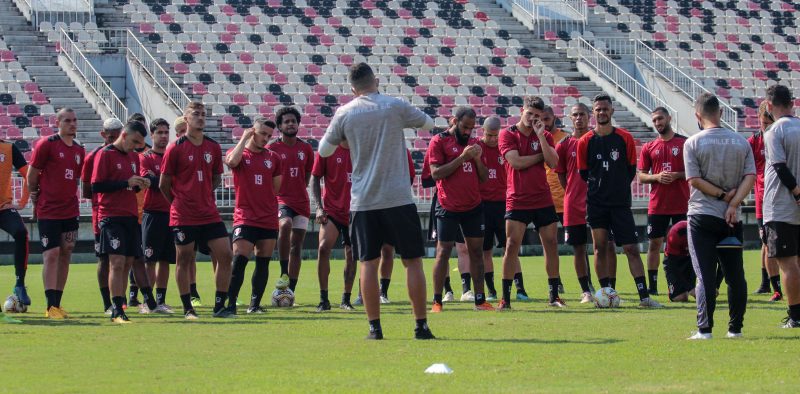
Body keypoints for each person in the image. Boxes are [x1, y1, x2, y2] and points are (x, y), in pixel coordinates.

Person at [319, 62, 435, 340]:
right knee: (413, 262)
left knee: (367, 263)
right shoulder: (394, 105)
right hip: (397, 197)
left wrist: (347, 140)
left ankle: (375, 328)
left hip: (364, 200)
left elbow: (324, 149)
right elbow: (428, 124)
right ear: (377, 81)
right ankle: (420, 325)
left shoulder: (345, 112)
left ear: (352, 89)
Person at [577, 94, 661, 308]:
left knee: (631, 248)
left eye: (605, 109)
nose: (602, 112)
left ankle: (644, 297)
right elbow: (584, 173)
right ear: (593, 113)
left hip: (621, 204)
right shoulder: (585, 142)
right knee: (600, 248)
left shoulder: (624, 138)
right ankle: (605, 294)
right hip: (596, 204)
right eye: (598, 109)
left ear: (612, 111)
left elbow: (631, 170)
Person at [684, 92, 755, 339]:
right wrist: (734, 203)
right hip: (731, 219)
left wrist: (723, 197)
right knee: (735, 275)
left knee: (704, 274)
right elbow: (750, 178)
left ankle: (705, 329)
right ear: (721, 113)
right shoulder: (741, 142)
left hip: (702, 215)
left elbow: (694, 180)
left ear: (697, 115)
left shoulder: (692, 143)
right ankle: (735, 329)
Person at [160, 102, 234, 319]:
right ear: (186, 117)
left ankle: (219, 306)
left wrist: (203, 193)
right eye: (195, 114)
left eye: (203, 114)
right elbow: (164, 184)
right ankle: (188, 308)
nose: (200, 117)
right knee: (184, 259)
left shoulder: (212, 146)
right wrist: (178, 201)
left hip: (209, 212)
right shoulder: (175, 148)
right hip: (183, 214)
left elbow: (217, 176)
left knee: (226, 255)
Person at [498, 96, 564, 310]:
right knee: (511, 246)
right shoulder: (507, 134)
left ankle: (554, 296)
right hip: (517, 198)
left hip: (542, 198)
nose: (533, 118)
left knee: (551, 245)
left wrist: (541, 138)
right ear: (521, 111)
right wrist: (539, 157)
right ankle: (505, 299)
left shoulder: (544, 135)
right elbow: (516, 163)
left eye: (538, 116)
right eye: (530, 114)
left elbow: (553, 162)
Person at [428, 106, 493, 312]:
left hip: (473, 206)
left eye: (471, 128)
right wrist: (462, 158)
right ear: (454, 121)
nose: (468, 132)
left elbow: (484, 177)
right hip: (447, 206)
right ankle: (437, 301)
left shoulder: (474, 144)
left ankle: (480, 300)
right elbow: (436, 173)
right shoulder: (439, 141)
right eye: (465, 127)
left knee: (476, 252)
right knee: (443, 252)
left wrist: (475, 159)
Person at [27, 108, 85, 319]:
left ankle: (58, 304)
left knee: (66, 251)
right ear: (58, 122)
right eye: (68, 120)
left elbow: (75, 178)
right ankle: (50, 306)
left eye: (74, 120)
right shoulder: (47, 144)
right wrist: (35, 195)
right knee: (51, 254)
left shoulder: (79, 150)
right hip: (48, 209)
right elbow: (32, 175)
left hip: (70, 209)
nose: (72, 124)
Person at [91, 121, 150, 323]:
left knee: (126, 263)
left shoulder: (133, 157)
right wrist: (126, 182)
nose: (135, 146)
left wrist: (140, 184)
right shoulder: (105, 154)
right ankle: (116, 309)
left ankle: (120, 303)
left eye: (139, 143)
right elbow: (96, 185)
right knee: (116, 262)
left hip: (130, 215)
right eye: (134, 141)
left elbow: (130, 187)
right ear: (124, 135)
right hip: (110, 216)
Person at [224, 118, 282, 314]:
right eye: (262, 134)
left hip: (268, 217)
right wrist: (243, 139)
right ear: (252, 131)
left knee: (263, 262)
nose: (265, 138)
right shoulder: (238, 153)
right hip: (245, 216)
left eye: (269, 136)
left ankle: (254, 305)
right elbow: (231, 162)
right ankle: (230, 305)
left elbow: (276, 187)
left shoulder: (273, 158)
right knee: (239, 260)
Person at [638, 107, 689, 296]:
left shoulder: (684, 143)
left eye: (660, 118)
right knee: (654, 244)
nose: (658, 123)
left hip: (681, 203)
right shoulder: (649, 147)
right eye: (655, 120)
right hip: (657, 205)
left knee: (684, 246)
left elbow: (695, 172)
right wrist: (657, 177)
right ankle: (653, 286)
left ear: (669, 118)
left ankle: (684, 283)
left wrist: (677, 175)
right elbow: (642, 176)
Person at [354, 150, 416, 306]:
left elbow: (409, 177)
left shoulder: (403, 151)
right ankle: (362, 293)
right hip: (369, 205)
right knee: (368, 254)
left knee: (388, 250)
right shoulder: (368, 146)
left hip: (391, 206)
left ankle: (383, 292)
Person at [761, 84, 800, 328]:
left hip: (782, 205)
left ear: (770, 105)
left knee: (787, 264)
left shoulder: (775, 131)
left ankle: (795, 316)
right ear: (792, 103)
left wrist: (797, 193)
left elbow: (779, 166)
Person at [270, 107, 314, 294]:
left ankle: (290, 291)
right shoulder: (272, 148)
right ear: (279, 126)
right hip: (282, 200)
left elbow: (307, 176)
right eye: (286, 121)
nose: (290, 124)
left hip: (301, 202)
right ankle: (283, 272)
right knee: (285, 224)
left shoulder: (306, 148)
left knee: (297, 247)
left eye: (293, 121)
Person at [82, 118, 123, 313]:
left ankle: (120, 299)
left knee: (123, 258)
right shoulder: (93, 156)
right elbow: (86, 189)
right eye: (111, 136)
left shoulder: (126, 154)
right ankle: (107, 302)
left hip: (124, 214)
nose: (114, 140)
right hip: (102, 214)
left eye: (118, 136)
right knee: (104, 258)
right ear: (103, 135)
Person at [311, 136, 356, 311]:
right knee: (323, 248)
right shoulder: (327, 149)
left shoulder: (363, 149)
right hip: (332, 210)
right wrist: (318, 208)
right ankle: (324, 299)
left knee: (351, 254)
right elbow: (315, 177)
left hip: (356, 211)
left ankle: (346, 299)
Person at [556, 103, 595, 304]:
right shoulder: (563, 144)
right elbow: (561, 174)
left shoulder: (597, 140)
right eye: (575, 115)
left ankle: (606, 287)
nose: (579, 118)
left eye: (582, 114)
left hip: (598, 202)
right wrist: (573, 190)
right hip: (573, 204)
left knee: (602, 245)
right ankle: (585, 290)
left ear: (589, 117)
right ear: (570, 118)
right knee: (579, 247)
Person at [139, 118, 175, 313]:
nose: (163, 136)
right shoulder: (145, 157)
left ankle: (160, 300)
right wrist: (167, 179)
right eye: (159, 133)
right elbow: (148, 180)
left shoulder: (172, 156)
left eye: (165, 133)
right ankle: (147, 300)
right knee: (149, 259)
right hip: (152, 214)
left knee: (166, 260)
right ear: (151, 135)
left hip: (171, 213)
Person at [749, 102, 783, 301]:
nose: (767, 127)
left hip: (782, 196)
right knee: (767, 243)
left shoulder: (779, 138)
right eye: (764, 123)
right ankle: (774, 287)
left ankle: (768, 284)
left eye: (770, 123)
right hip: (763, 200)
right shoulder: (753, 142)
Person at [173, 116, 206, 306]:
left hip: (198, 212)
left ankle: (194, 292)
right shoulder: (176, 150)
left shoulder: (199, 149)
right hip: (177, 212)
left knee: (195, 254)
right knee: (180, 257)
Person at [0, 135, 30, 309]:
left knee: (21, 232)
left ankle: (20, 284)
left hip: (4, 207)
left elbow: (28, 174)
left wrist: (22, 202)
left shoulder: (9, 148)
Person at [477, 116, 504, 301]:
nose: (493, 139)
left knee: (509, 248)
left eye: (496, 135)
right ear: (483, 132)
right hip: (483, 205)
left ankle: (519, 288)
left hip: (504, 203)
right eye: (489, 135)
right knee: (485, 250)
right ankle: (491, 290)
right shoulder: (477, 148)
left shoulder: (506, 147)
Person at [542, 106, 569, 293]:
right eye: (541, 118)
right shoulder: (537, 139)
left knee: (579, 243)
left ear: (554, 118)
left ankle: (587, 283)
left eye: (547, 118)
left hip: (567, 199)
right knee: (549, 244)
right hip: (545, 200)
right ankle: (556, 281)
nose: (544, 122)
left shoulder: (565, 138)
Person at [661, 221, 695, 302]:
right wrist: (690, 288)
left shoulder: (702, 235)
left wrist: (715, 285)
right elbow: (673, 265)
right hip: (674, 261)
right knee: (680, 298)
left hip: (690, 260)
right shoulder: (676, 233)